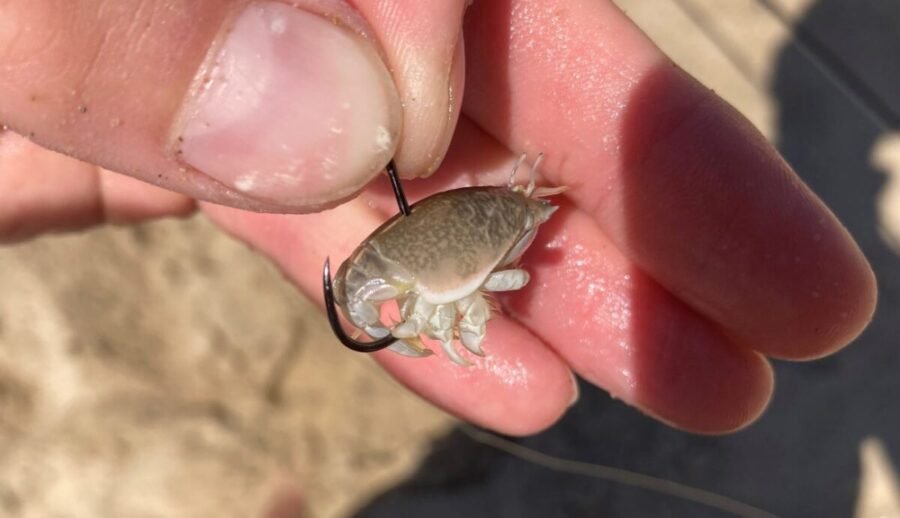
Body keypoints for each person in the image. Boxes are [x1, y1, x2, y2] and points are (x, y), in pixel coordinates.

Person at [0, 0, 876, 437]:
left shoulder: (408, 271)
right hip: (462, 233)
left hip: (470, 228)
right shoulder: (397, 272)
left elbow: (446, 310)